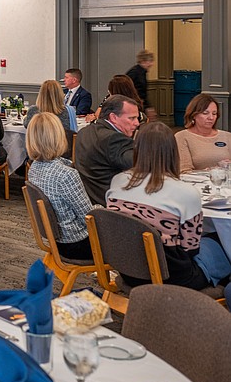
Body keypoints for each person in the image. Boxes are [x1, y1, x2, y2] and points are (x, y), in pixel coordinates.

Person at [107, 122, 231, 290]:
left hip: (129, 270)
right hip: (174, 279)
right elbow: (191, 250)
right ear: (173, 152)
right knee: (222, 242)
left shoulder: (117, 182)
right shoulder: (186, 193)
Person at [26, 112, 96, 260]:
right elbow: (88, 217)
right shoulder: (66, 175)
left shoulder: (33, 168)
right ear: (59, 137)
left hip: (55, 239)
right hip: (77, 244)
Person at [74, 95, 139, 206]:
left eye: (137, 118)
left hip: (87, 199)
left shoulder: (84, 132)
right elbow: (140, 167)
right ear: (113, 117)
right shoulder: (115, 139)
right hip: (111, 206)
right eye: (131, 118)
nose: (137, 123)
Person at [175, 93, 231, 172]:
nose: (211, 117)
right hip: (195, 183)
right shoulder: (182, 137)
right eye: (205, 113)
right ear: (193, 115)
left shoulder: (227, 136)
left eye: (214, 113)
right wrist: (213, 171)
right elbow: (184, 171)